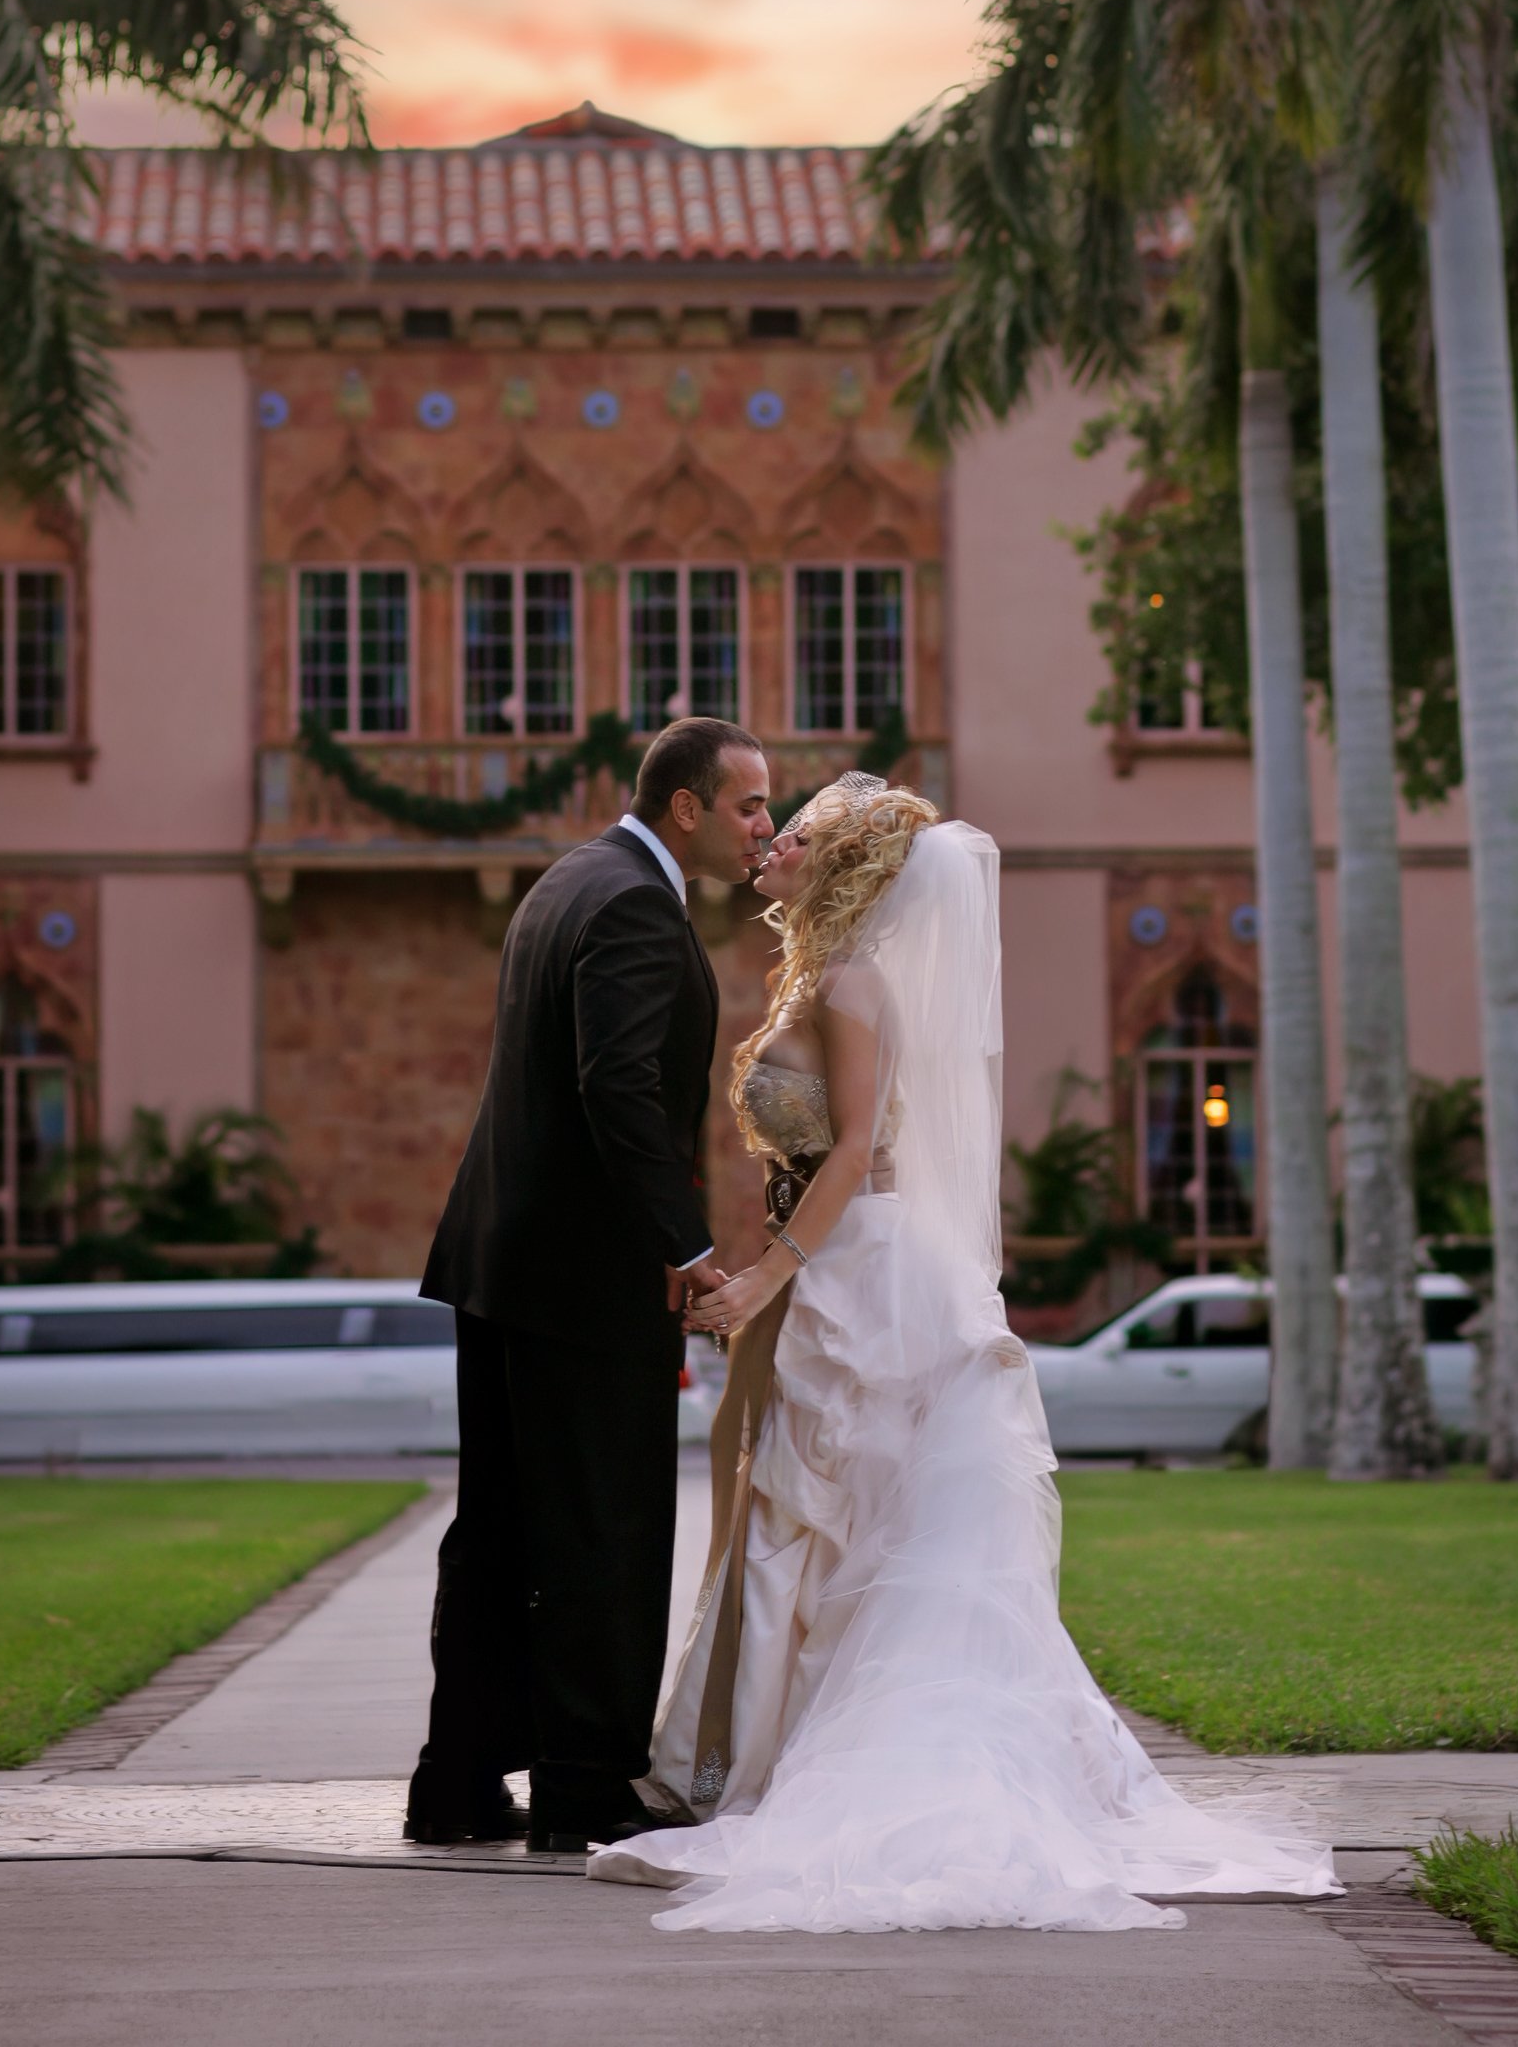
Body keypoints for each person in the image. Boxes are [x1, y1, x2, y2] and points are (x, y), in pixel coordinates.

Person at [590, 776, 1337, 1932]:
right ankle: (781, 1755)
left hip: (868, 1269)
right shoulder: (821, 973)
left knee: (850, 1512)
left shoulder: (849, 983)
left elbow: (847, 1162)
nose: (769, 843)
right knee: (834, 1517)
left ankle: (857, 1765)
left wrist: (762, 1279)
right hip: (845, 1257)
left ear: (837, 872)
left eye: (791, 836)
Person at [405, 715, 772, 1853]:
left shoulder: (568, 878)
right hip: (581, 1280)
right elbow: (616, 1093)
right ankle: (582, 1787)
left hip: (499, 1266)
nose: (768, 824)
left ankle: (455, 1785)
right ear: (688, 808)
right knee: (603, 1534)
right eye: (752, 804)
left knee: (502, 1532)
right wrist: (690, 1251)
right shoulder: (630, 907)